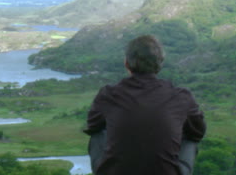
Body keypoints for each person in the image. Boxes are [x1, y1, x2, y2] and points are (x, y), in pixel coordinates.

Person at [84, 35, 206, 175]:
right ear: (160, 63)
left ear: (126, 63)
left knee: (97, 133)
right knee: (190, 139)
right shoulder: (181, 97)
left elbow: (93, 126)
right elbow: (198, 132)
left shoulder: (108, 95)